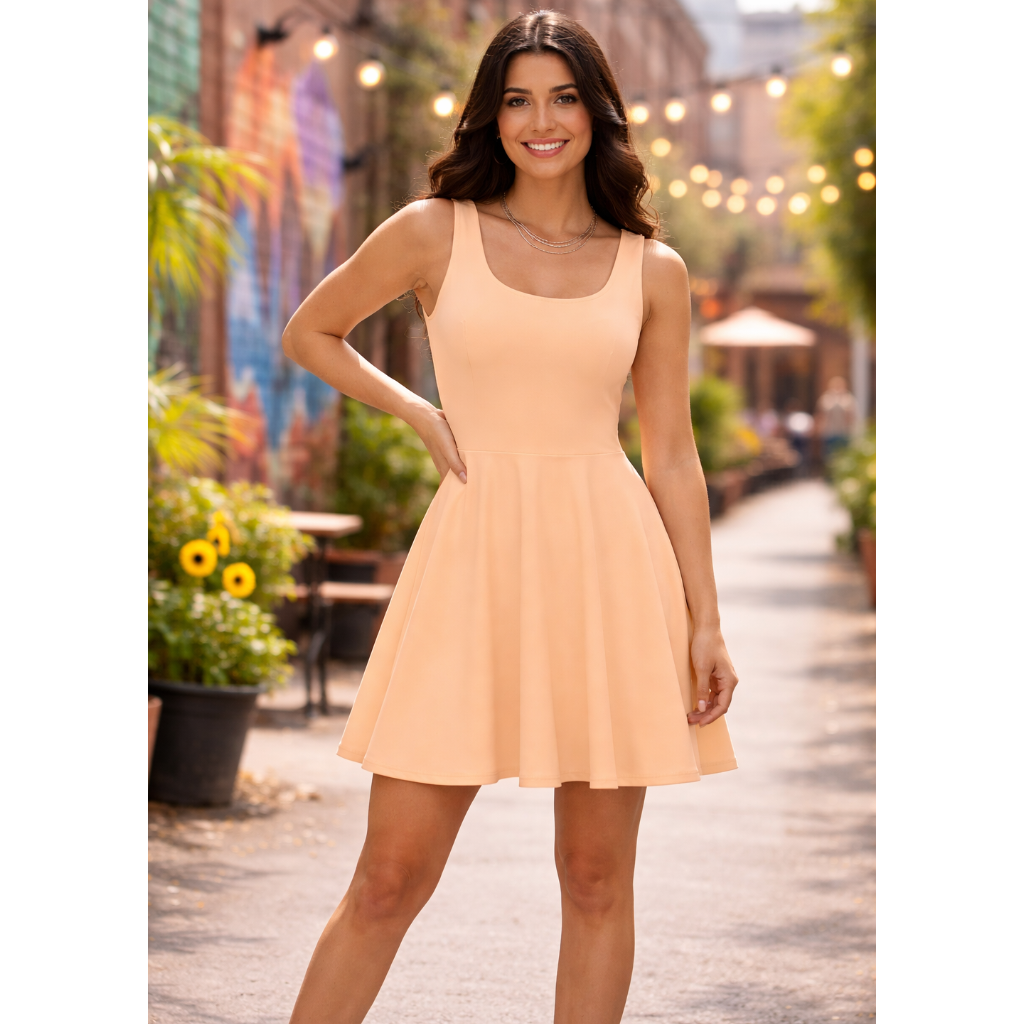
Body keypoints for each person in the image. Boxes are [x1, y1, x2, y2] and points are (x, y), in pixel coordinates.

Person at [281, 12, 739, 1023]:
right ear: (491, 114)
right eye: (519, 99)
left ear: (597, 112)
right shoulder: (432, 231)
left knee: (593, 878)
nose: (542, 121)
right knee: (389, 878)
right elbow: (311, 329)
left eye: (564, 97)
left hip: (610, 568)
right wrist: (411, 407)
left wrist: (704, 618)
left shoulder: (650, 270)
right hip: (469, 564)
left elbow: (671, 455)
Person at [816, 376, 856, 466]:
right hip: (829, 432)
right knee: (829, 456)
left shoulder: (848, 398)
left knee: (844, 455)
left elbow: (851, 416)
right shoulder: (826, 398)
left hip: (844, 432)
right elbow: (821, 415)